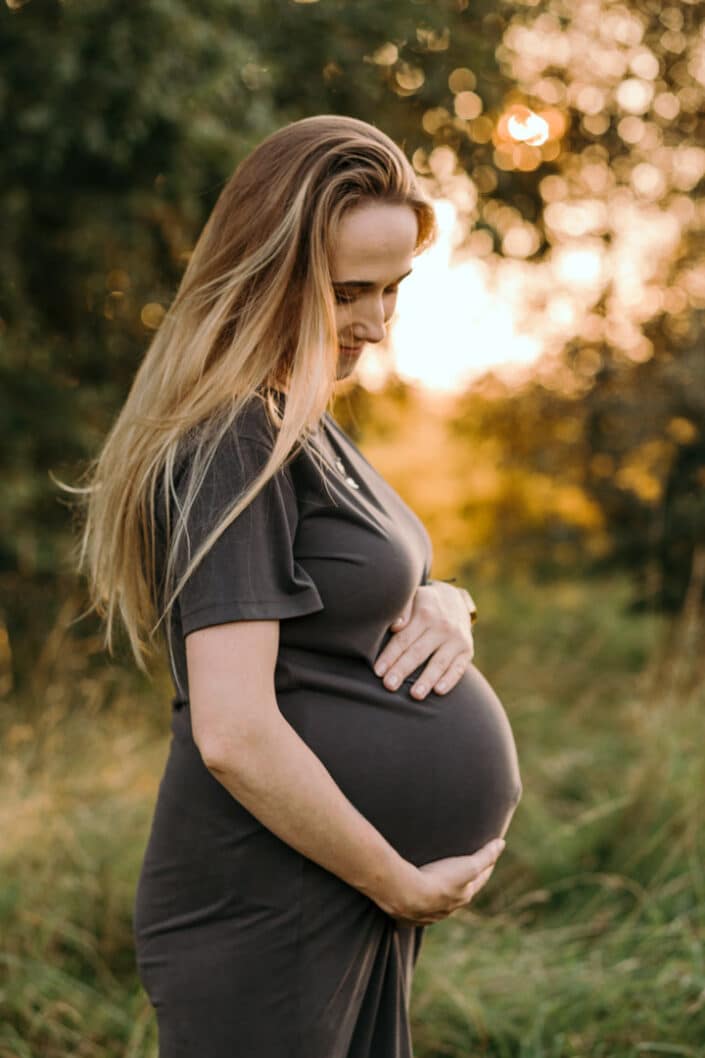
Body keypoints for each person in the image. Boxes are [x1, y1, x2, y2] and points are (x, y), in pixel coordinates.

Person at [77, 114, 521, 1058]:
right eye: (348, 291)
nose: (376, 323)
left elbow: (352, 588)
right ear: (268, 273)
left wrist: (446, 598)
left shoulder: (298, 417)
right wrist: (395, 882)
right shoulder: (232, 434)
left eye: (393, 290)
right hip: (267, 902)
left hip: (327, 884)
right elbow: (233, 731)